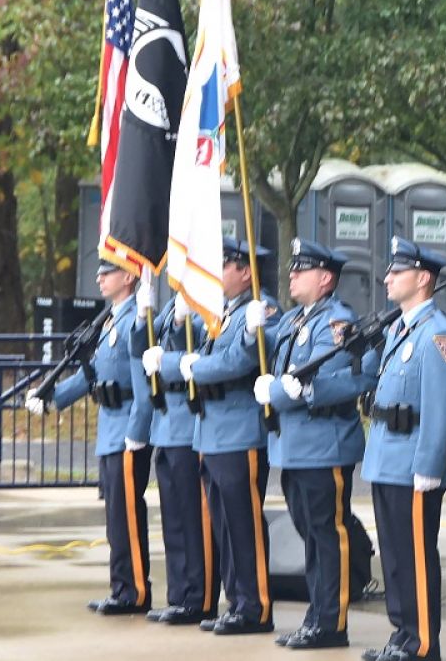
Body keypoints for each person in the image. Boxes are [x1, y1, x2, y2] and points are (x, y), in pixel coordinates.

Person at [245, 238, 372, 650]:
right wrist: (251, 332)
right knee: (309, 534)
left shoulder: (336, 322)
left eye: (302, 270)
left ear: (326, 278)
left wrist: (280, 393)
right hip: (295, 446)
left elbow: (328, 380)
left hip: (324, 444)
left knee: (326, 535)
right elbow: (268, 357)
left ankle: (331, 623)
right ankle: (317, 615)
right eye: (292, 268)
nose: (292, 275)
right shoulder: (295, 320)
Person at [148, 238, 279, 636]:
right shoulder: (223, 312)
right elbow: (198, 353)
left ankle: (255, 607)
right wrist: (181, 354)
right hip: (212, 432)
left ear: (245, 271)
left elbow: (236, 362)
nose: (216, 274)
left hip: (240, 432)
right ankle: (236, 602)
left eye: (223, 266)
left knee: (243, 523)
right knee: (224, 523)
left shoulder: (260, 310)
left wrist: (188, 366)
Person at [25, 260, 153, 615]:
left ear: (128, 277)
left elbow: (142, 385)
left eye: (108, 271)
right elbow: (92, 375)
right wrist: (51, 399)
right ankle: (121, 587)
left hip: (127, 429)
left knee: (127, 515)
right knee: (115, 517)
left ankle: (135, 591)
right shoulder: (111, 319)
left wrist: (138, 431)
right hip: (110, 428)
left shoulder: (135, 322)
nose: (99, 277)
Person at [358, 237, 446, 661]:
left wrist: (430, 464)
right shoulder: (398, 330)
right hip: (386, 459)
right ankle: (402, 635)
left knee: (417, 557)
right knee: (396, 558)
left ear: (422, 279)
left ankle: (422, 644)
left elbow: (443, 407)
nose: (387, 278)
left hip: (414, 465)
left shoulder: (439, 335)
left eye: (396, 272)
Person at [128, 272, 221, 625]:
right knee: (173, 520)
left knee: (194, 519)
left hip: (187, 423)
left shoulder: (204, 307)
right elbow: (139, 350)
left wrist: (182, 321)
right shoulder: (170, 307)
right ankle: (180, 593)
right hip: (165, 425)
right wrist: (141, 317)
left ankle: (199, 597)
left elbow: (194, 351)